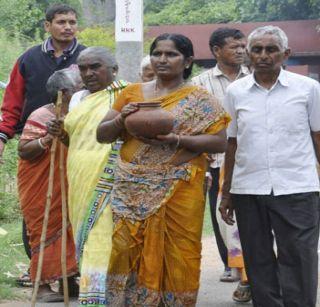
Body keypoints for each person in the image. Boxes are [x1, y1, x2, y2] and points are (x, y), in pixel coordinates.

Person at [96, 33, 230, 306]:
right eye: (157, 53)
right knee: (123, 249)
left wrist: (177, 140)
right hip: (130, 187)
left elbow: (219, 142)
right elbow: (102, 135)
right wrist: (122, 118)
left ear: (188, 60)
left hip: (179, 188)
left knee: (178, 253)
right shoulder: (131, 93)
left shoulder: (200, 99)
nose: (162, 59)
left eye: (171, 54)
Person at [220, 25, 320, 307]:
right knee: (258, 260)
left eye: (271, 49)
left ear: (286, 54)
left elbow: (318, 136)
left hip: (297, 188)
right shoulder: (236, 92)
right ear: (249, 54)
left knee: (300, 258)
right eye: (257, 49)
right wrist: (226, 192)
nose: (263, 55)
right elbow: (232, 143)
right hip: (248, 188)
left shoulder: (309, 89)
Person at [47, 47, 128, 306]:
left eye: (95, 67)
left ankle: (98, 299)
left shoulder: (127, 95)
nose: (88, 73)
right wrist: (61, 132)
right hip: (80, 182)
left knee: (102, 240)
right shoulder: (79, 99)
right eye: (83, 68)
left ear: (113, 70)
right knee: (86, 237)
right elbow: (77, 139)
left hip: (111, 182)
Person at [192, 28, 250, 302]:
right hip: (215, 163)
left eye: (243, 46)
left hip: (250, 163)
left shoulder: (254, 77)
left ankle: (249, 276)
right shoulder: (200, 83)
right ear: (216, 50)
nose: (240, 50)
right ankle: (232, 265)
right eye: (234, 46)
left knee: (254, 220)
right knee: (221, 220)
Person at [17, 68, 81, 302]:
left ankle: (68, 282)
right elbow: (23, 150)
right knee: (44, 231)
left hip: (70, 183)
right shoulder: (42, 116)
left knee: (70, 228)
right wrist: (47, 139)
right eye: (79, 86)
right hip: (41, 187)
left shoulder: (78, 113)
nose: (83, 90)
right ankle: (41, 286)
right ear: (65, 92)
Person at [0, 3, 85, 162]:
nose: (68, 27)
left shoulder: (87, 59)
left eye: (72, 22)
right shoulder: (28, 59)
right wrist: (2, 136)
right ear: (47, 26)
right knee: (35, 186)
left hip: (77, 141)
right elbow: (12, 102)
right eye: (61, 22)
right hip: (33, 143)